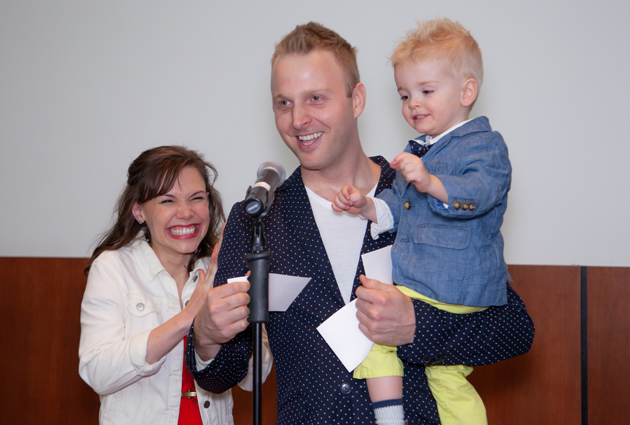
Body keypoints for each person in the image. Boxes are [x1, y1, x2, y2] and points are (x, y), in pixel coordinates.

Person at [186, 22, 534, 425]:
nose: (298, 119)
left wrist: (415, 326)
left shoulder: (418, 193)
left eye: (316, 98)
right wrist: (208, 336)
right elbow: (221, 375)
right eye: (284, 103)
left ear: (357, 99)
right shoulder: (258, 218)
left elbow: (514, 329)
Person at [333, 18, 510, 425]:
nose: (413, 103)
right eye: (405, 94)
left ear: (467, 91)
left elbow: (481, 192)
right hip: (429, 287)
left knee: (375, 332)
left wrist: (431, 182)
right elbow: (396, 205)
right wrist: (367, 207)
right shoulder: (420, 151)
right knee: (447, 379)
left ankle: (390, 419)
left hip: (454, 284)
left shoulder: (485, 145)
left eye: (426, 91)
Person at [79, 146, 272, 425]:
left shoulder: (220, 269)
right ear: (139, 211)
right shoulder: (113, 268)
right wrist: (188, 317)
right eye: (167, 201)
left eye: (196, 198)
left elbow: (256, 377)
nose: (185, 212)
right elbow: (97, 372)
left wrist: (240, 318)